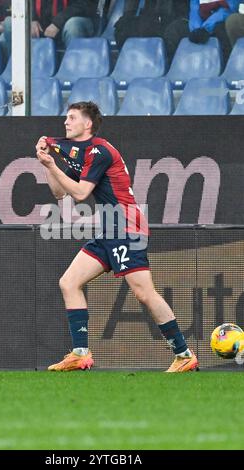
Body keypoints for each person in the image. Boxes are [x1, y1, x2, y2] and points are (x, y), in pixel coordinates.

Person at [36, 101, 199, 373]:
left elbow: (79, 193)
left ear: (87, 124)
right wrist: (47, 164)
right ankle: (80, 354)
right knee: (69, 282)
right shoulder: (82, 154)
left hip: (127, 226)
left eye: (72, 117)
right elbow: (58, 193)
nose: (66, 122)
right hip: (110, 228)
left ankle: (183, 354)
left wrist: (53, 163)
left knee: (144, 293)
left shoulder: (99, 151)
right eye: (66, 117)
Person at [32, 0, 104, 48]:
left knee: (72, 26)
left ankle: (75, 66)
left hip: (82, 20)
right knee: (23, 25)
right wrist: (32, 19)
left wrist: (57, 23)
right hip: (46, 26)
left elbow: (85, 4)